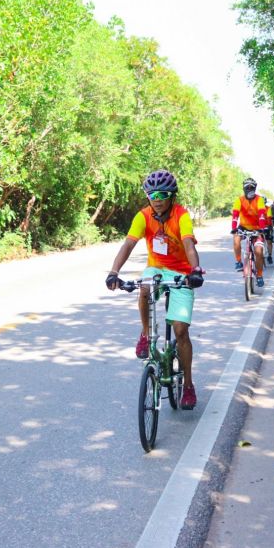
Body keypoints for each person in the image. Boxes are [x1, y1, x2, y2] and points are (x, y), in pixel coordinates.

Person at [105, 169, 205, 410]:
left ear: (172, 196)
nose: (157, 199)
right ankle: (146, 333)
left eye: (162, 194)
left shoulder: (181, 215)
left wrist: (195, 270)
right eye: (152, 194)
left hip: (182, 272)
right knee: (144, 286)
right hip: (156, 268)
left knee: (181, 331)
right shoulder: (143, 216)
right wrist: (114, 272)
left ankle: (188, 385)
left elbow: (189, 244)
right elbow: (128, 244)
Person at [231, 177, 270, 287]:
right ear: (244, 189)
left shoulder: (259, 200)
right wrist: (234, 227)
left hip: (257, 228)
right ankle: (238, 261)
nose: (249, 189)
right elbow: (235, 216)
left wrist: (262, 228)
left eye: (251, 187)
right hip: (243, 227)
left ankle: (259, 275)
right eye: (247, 187)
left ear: (255, 188)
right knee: (236, 239)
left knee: (258, 251)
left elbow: (262, 215)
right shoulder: (239, 200)